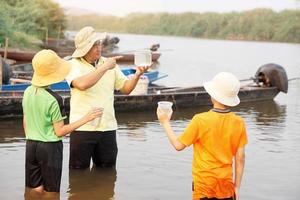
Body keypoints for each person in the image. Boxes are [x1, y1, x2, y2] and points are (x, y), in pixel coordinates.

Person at [66, 26, 149, 169]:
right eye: (93, 45)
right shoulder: (72, 64)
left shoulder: (109, 64)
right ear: (84, 49)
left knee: (107, 171)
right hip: (82, 128)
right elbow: (81, 84)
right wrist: (104, 67)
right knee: (78, 174)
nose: (98, 48)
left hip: (107, 127)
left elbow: (126, 89)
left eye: (99, 44)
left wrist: (137, 74)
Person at [22, 49, 103, 198]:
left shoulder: (27, 91)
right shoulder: (54, 99)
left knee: (34, 189)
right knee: (51, 191)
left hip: (31, 145)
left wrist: (36, 134)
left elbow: (26, 121)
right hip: (50, 149)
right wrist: (86, 118)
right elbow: (60, 131)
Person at [157, 72, 248, 200]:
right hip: (226, 186)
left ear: (213, 95)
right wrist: (237, 187)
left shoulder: (200, 120)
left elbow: (178, 145)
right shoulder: (239, 123)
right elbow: (240, 158)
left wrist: (165, 122)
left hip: (204, 186)